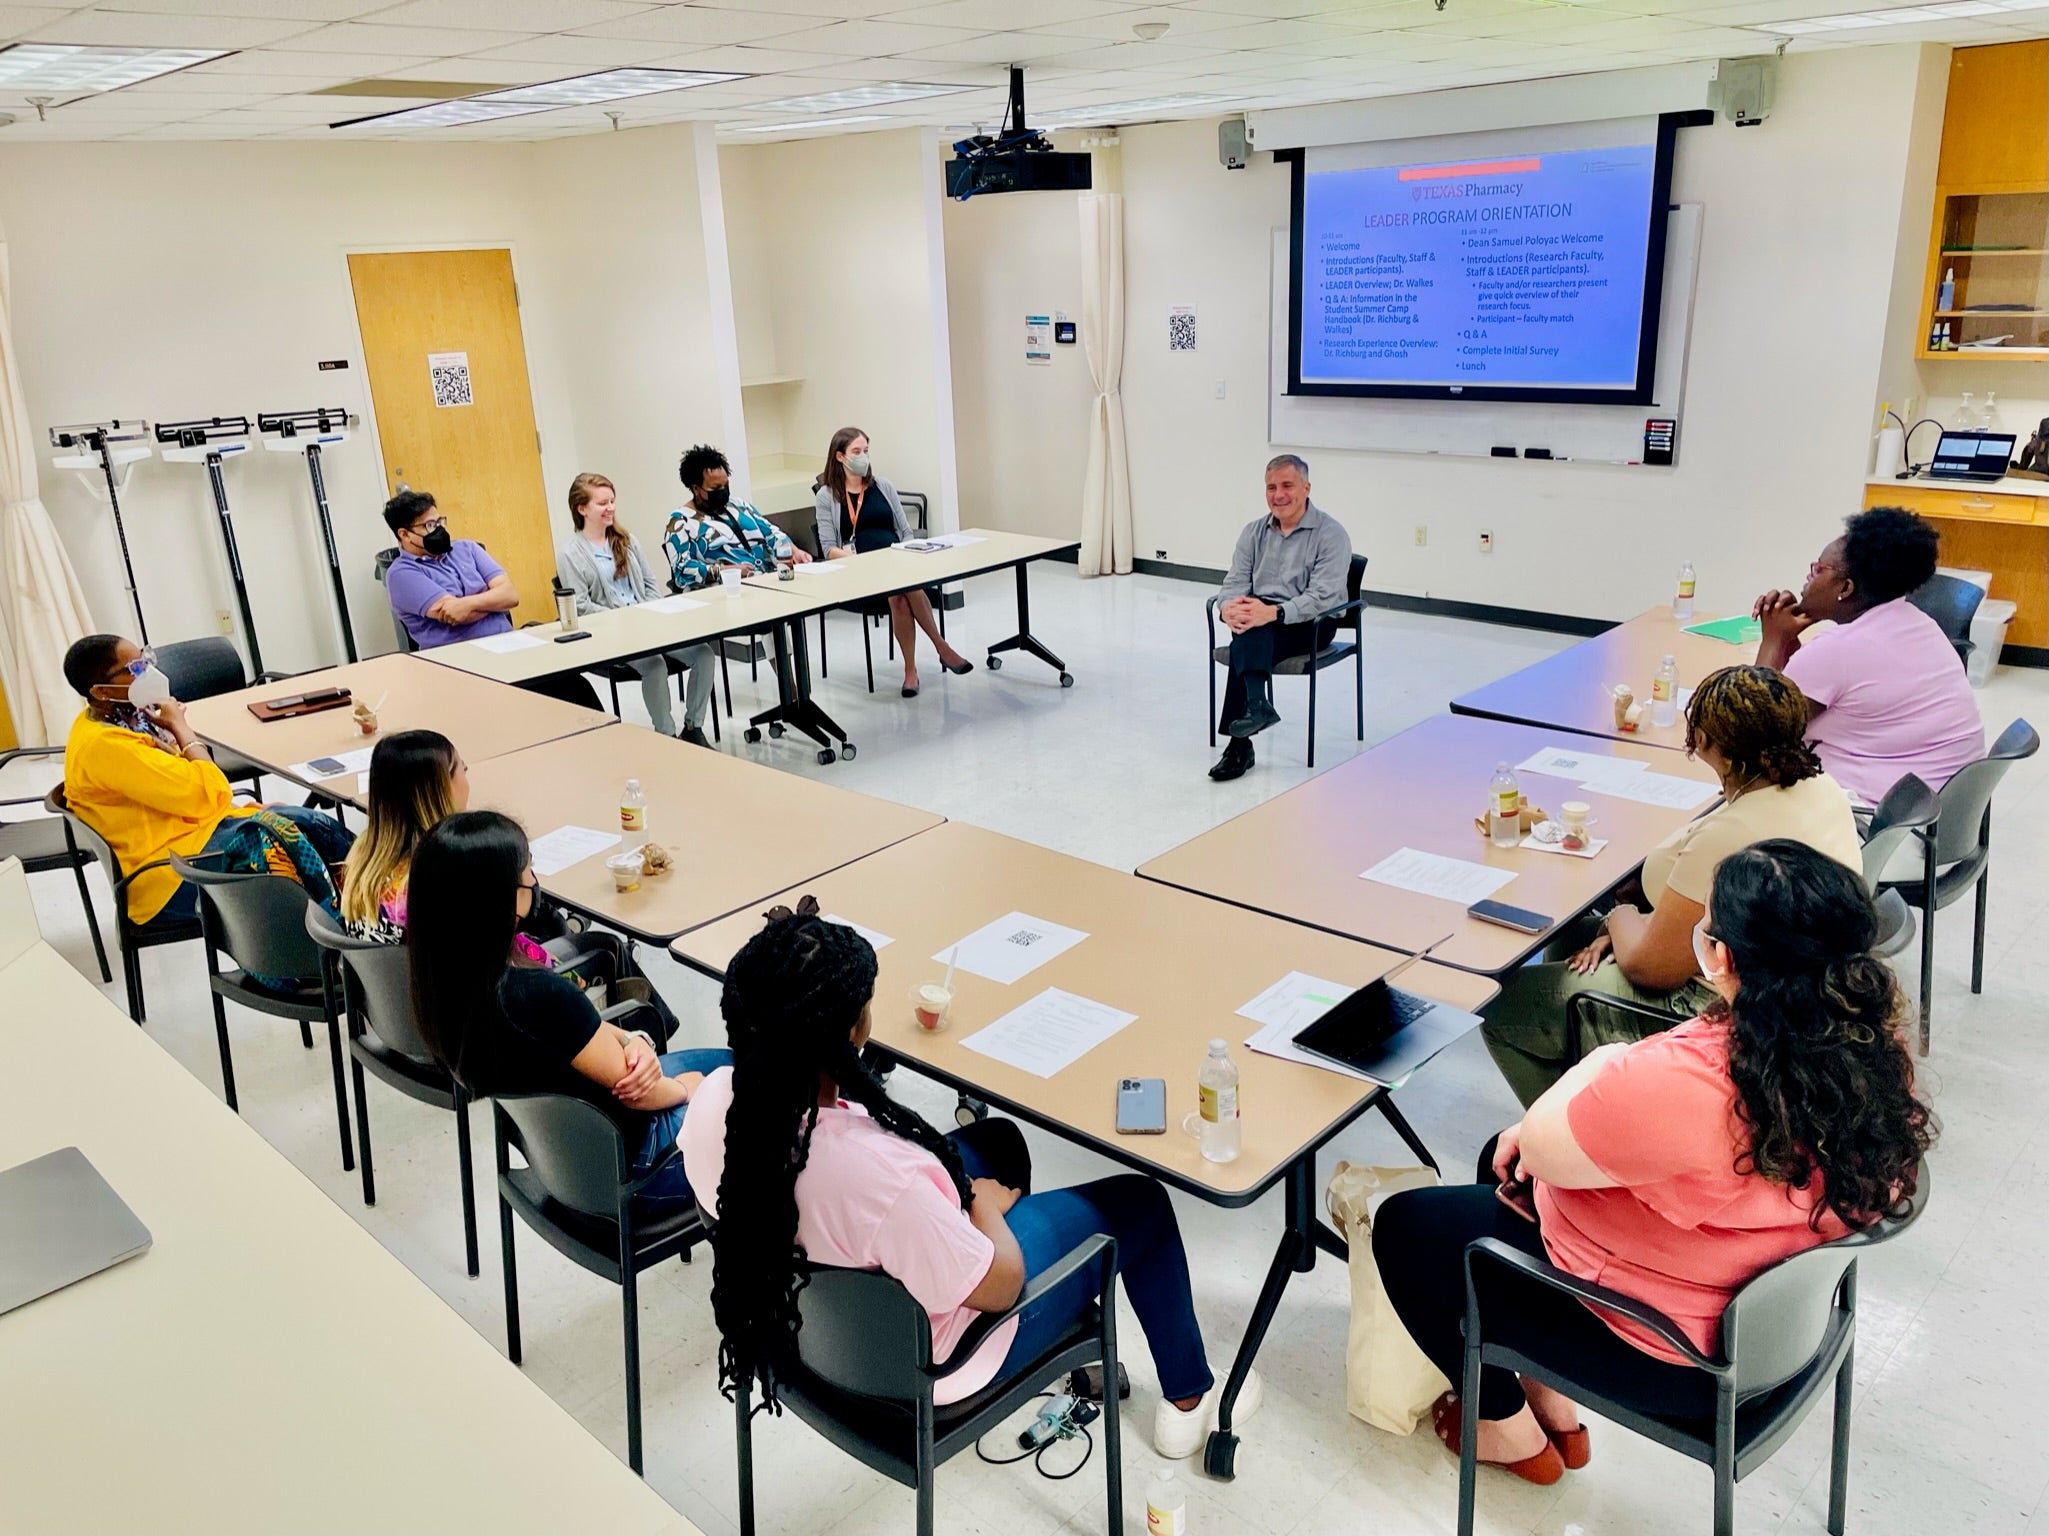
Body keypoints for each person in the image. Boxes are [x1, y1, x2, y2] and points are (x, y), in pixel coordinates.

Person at [1376, 841, 1933, 1486]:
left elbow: (1542, 1143)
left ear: (1721, 956)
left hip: (1675, 1357)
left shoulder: (1698, 1087)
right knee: (1498, 1166)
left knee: (1406, 1226)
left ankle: (1504, 1427)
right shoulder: (1870, 1046)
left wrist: (1597, 1064)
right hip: (1772, 1315)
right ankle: (1550, 1399)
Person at [684, 900, 1259, 1458]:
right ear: (852, 1032)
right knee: (1142, 1204)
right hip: (941, 1362)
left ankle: (1062, 1351)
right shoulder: (886, 1180)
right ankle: (1186, 1400)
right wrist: (982, 1211)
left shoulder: (719, 1102)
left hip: (807, 1329)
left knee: (998, 1144)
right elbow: (1001, 1286)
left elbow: (859, 1183)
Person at [1481, 665, 1863, 1107]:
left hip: (1723, 1004)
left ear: (1703, 740)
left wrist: (1619, 919)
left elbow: (1652, 968)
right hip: (1797, 981)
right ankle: (1590, 1077)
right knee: (1571, 936)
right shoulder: (1820, 785)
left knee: (1504, 1007)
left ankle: (1568, 1136)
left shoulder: (1732, 838)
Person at [408, 811, 728, 1216]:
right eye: (527, 872)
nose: (535, 882)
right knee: (764, 1088)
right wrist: (687, 1089)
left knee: (728, 1068)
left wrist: (636, 1041)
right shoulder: (531, 992)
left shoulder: (446, 984)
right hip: (636, 1175)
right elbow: (639, 1092)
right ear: (501, 896)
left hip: (561, 1165)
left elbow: (591, 1036)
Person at [60, 633, 354, 927]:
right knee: (291, 836)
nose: (147, 673)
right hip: (167, 877)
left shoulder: (121, 720)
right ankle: (345, 933)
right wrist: (181, 728)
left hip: (185, 839)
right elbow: (209, 792)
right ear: (100, 691)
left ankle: (358, 919)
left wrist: (246, 812)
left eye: (146, 660)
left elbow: (193, 794)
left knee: (305, 826)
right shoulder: (108, 747)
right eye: (136, 669)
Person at [1752, 505, 1984, 807]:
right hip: (1929, 820)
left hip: (1870, 827)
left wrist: (1774, 640)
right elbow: (1804, 694)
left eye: (1818, 570)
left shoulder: (1840, 647)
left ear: (1845, 588)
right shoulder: (1917, 623)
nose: (1807, 579)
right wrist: (1788, 642)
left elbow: (1750, 729)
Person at [382, 488, 602, 712]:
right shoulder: (401, 575)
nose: (438, 529)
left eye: (440, 521)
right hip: (461, 666)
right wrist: (491, 600)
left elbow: (510, 596)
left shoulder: (467, 549)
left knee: (575, 685)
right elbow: (458, 616)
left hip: (508, 648)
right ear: (404, 534)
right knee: (534, 703)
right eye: (429, 525)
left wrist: (467, 602)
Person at [1207, 455, 1353, 782]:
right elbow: (1234, 582)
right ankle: (1254, 713)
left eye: (1287, 485)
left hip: (1313, 621)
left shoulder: (1331, 534)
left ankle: (1240, 744)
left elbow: (1323, 597)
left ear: (1306, 488)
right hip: (1263, 615)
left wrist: (1272, 613)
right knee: (1248, 626)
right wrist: (1228, 607)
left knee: (1252, 630)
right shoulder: (1254, 532)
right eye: (1271, 487)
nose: (1278, 494)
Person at [812, 426, 974, 698]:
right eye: (856, 452)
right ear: (840, 457)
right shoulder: (826, 496)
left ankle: (912, 671)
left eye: (866, 451)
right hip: (859, 569)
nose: (863, 456)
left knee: (900, 592)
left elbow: (905, 530)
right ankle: (941, 649)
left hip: (896, 561)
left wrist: (908, 551)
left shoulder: (882, 486)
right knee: (902, 590)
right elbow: (828, 548)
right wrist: (861, 560)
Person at [557, 472, 718, 747]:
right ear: (581, 509)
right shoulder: (570, 553)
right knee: (654, 664)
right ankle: (667, 735)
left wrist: (653, 616)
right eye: (602, 503)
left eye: (612, 501)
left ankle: (693, 727)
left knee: (703, 654)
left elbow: (650, 585)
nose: (611, 508)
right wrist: (625, 621)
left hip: (648, 626)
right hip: (613, 637)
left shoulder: (627, 540)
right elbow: (581, 606)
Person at [339, 729, 469, 944]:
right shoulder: (447, 878)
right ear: (442, 789)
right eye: (462, 768)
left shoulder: (362, 857)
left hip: (382, 976)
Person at [664, 444, 813, 587]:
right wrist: (726, 571)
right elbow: (682, 569)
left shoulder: (739, 505)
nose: (723, 491)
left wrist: (793, 551)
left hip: (771, 581)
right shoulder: (680, 522)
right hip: (728, 591)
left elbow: (771, 533)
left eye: (725, 485)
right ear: (696, 488)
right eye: (715, 488)